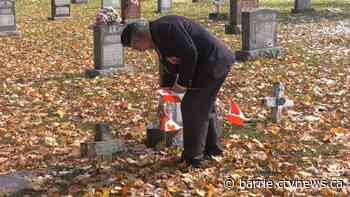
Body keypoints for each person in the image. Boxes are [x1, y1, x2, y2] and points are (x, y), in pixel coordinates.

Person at [121, 15, 235, 168]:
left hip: (213, 62)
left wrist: (182, 85)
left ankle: (193, 159)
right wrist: (166, 93)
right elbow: (170, 65)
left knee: (192, 108)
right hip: (205, 64)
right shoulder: (156, 35)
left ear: (140, 38)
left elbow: (190, 54)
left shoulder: (166, 29)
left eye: (135, 47)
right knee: (204, 107)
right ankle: (213, 150)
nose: (138, 51)